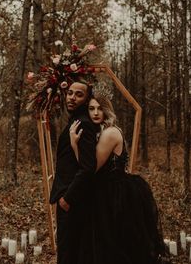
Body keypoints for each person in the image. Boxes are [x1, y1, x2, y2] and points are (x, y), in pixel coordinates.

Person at [69, 92, 167, 264]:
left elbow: (90, 168)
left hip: (114, 194)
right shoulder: (103, 131)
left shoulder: (110, 133)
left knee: (113, 246)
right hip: (109, 190)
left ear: (107, 110)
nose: (96, 113)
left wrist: (74, 145)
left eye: (100, 108)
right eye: (91, 109)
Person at [49, 81, 100, 264]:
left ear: (86, 100)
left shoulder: (84, 125)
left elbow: (88, 167)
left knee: (69, 254)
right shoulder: (75, 120)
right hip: (69, 197)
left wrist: (67, 199)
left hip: (73, 200)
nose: (72, 97)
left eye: (79, 94)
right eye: (70, 93)